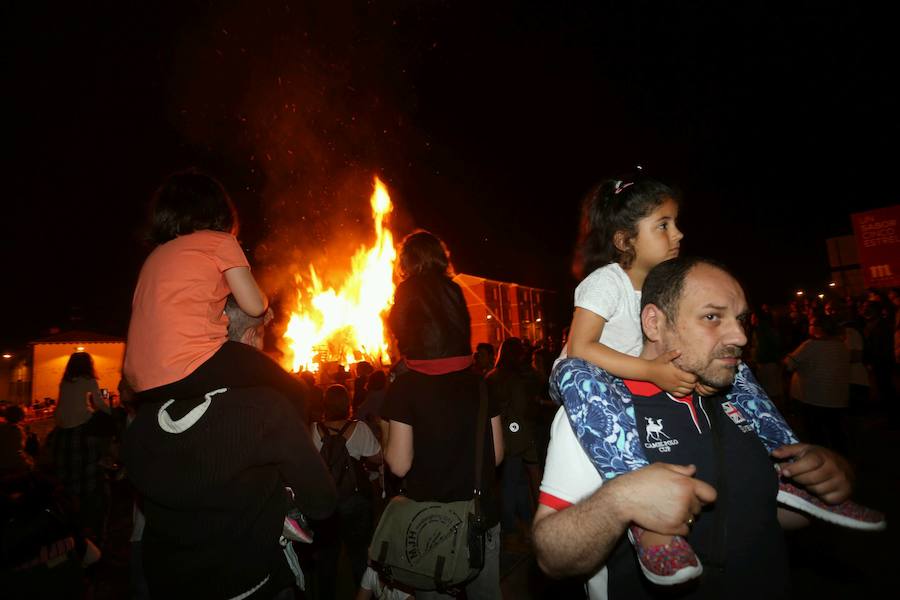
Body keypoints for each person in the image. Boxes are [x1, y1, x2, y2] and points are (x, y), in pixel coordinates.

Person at [556, 174, 862, 583]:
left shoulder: (659, 286)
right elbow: (580, 347)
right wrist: (653, 372)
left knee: (741, 372)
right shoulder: (606, 281)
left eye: (675, 222)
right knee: (579, 375)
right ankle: (644, 515)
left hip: (639, 374)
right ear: (625, 240)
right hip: (587, 377)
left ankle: (791, 469)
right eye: (663, 225)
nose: (678, 233)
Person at [533, 256, 883, 599]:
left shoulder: (744, 401)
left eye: (741, 319)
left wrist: (826, 481)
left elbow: (761, 514)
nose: (740, 336)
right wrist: (617, 502)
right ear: (654, 323)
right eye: (712, 317)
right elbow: (552, 557)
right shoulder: (596, 412)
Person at [123, 295, 338, 599]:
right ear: (249, 338)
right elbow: (322, 502)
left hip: (167, 584)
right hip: (248, 586)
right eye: (261, 336)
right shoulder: (264, 410)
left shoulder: (148, 414)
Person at [382, 230, 505, 599]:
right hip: (480, 519)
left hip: (430, 525)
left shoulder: (405, 389)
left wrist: (385, 430)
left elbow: (399, 465)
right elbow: (498, 454)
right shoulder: (481, 384)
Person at [311, 383, 382, 598]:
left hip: (325, 502)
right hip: (356, 500)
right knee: (359, 554)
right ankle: (362, 592)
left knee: (326, 556)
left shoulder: (313, 429)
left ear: (325, 404)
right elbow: (377, 457)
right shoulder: (359, 428)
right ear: (347, 403)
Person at [784, 313, 851, 455]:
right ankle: (841, 459)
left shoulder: (811, 345)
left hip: (814, 397)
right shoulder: (842, 345)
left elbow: (789, 364)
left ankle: (821, 460)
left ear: (819, 328)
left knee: (816, 434)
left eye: (811, 324)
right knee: (836, 432)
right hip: (837, 398)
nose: (809, 327)